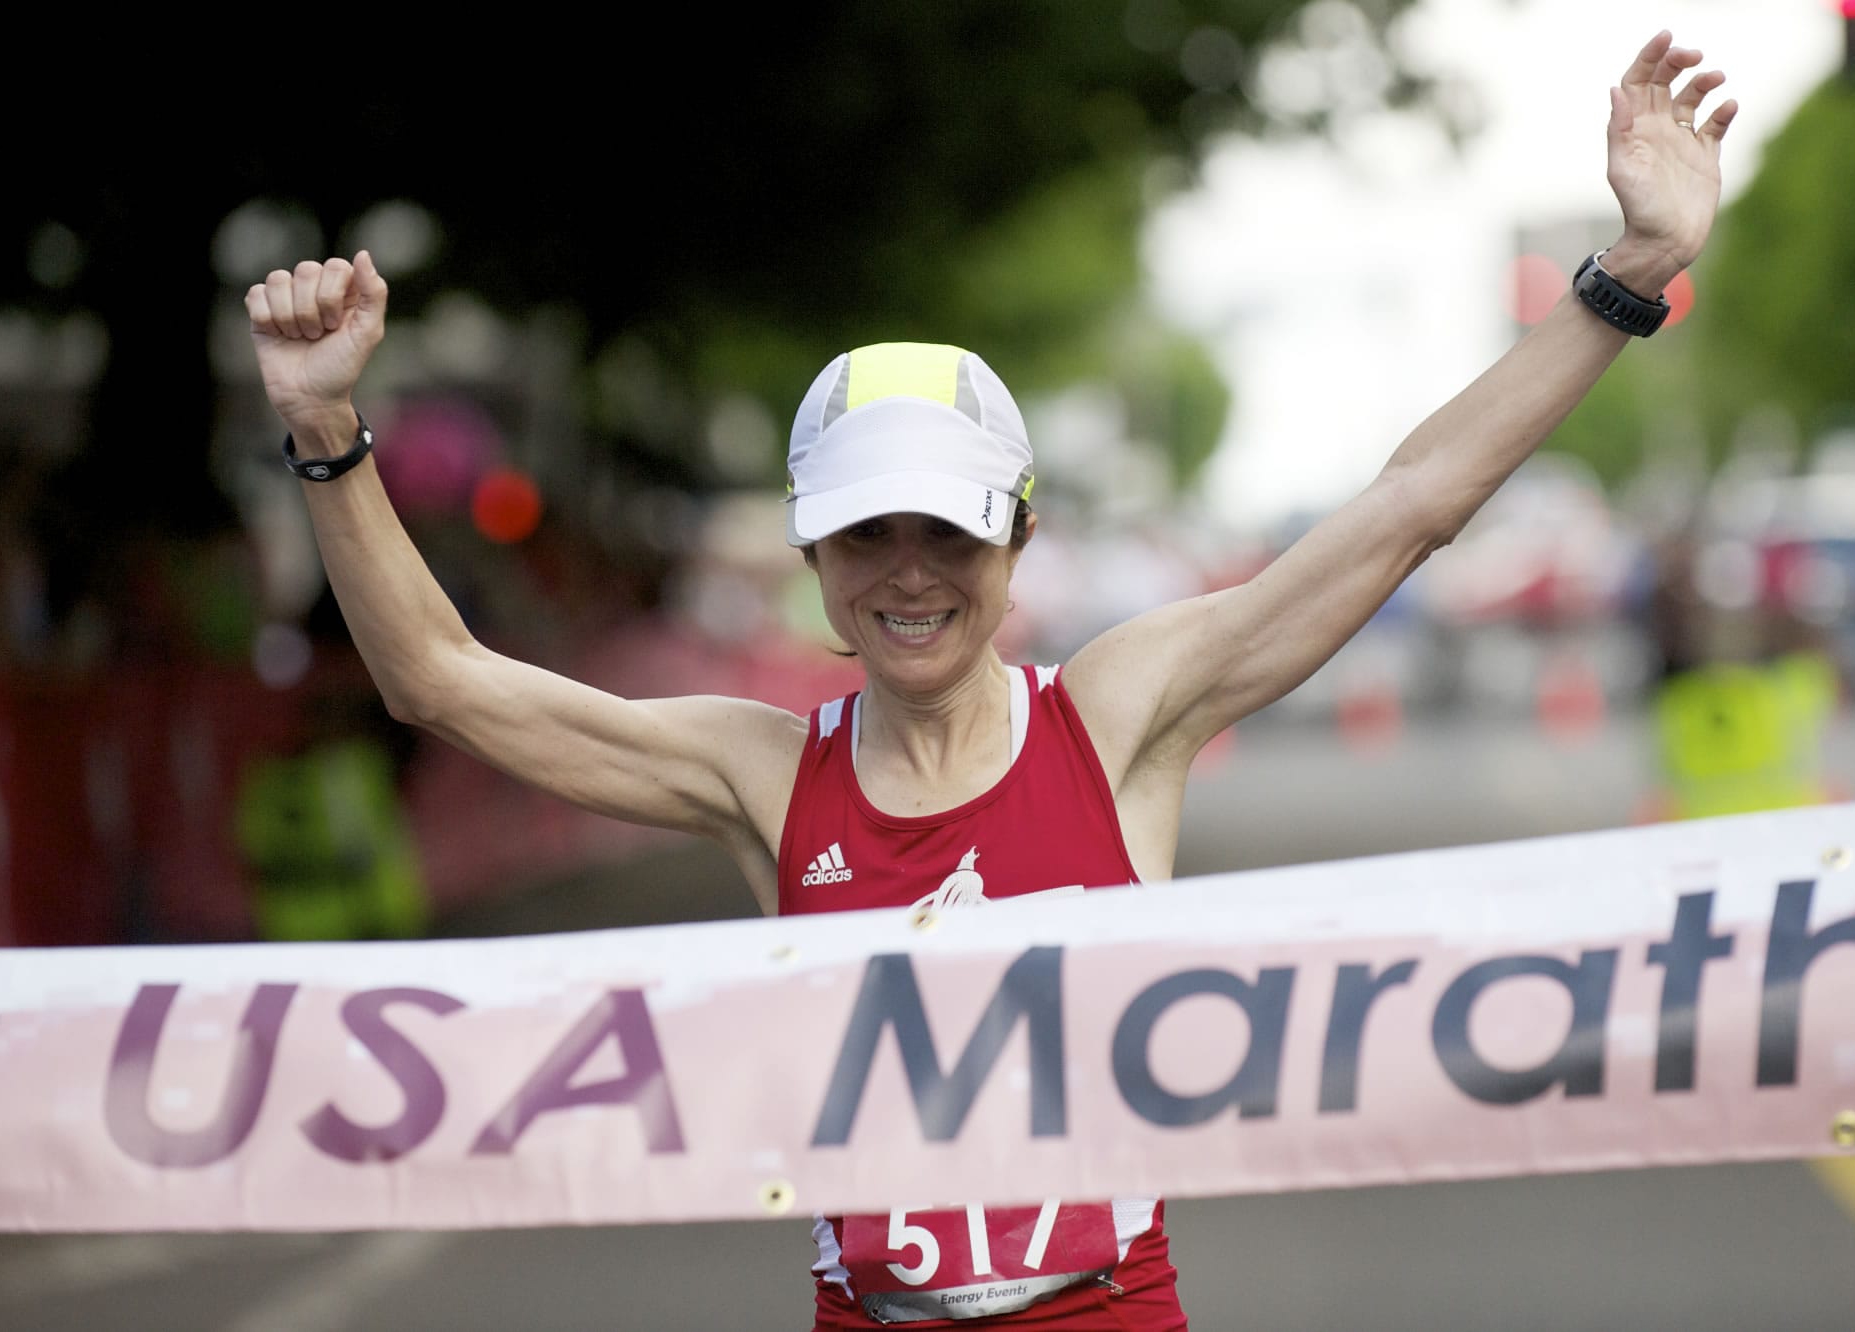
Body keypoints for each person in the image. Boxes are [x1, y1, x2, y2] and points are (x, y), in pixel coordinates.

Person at [245, 31, 1735, 1330]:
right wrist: (324, 427)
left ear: (1015, 538)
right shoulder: (763, 775)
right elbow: (442, 681)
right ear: (811, 561)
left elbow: (1408, 506)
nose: (911, 574)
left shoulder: (1118, 715)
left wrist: (1632, 273)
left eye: (948, 530)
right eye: (865, 534)